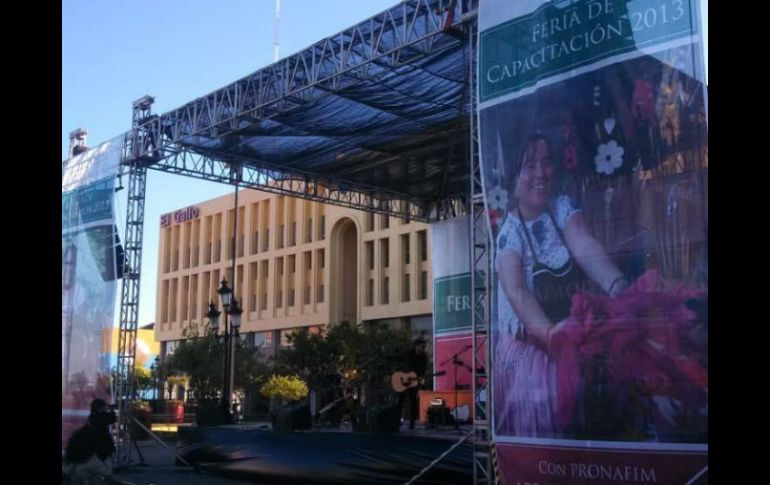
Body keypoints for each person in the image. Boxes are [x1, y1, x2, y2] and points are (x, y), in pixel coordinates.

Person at [494, 133, 629, 438]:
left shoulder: (562, 208)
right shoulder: (508, 234)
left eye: (546, 163)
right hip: (533, 355)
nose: (541, 173)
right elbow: (516, 291)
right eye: (530, 166)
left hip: (575, 342)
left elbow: (583, 245)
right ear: (514, 177)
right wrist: (551, 335)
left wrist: (617, 286)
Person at [64, 398, 118, 485]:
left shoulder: (92, 419)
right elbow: (112, 419)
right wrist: (110, 411)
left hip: (95, 448)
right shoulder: (98, 418)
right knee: (103, 474)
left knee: (91, 476)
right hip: (99, 446)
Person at [398, 336, 429, 430]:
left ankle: (412, 424)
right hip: (404, 380)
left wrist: (421, 382)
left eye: (424, 347)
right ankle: (396, 421)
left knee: (413, 402)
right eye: (422, 347)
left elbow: (422, 372)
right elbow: (398, 359)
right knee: (400, 402)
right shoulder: (408, 353)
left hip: (414, 382)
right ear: (416, 346)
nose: (423, 349)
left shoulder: (424, 358)